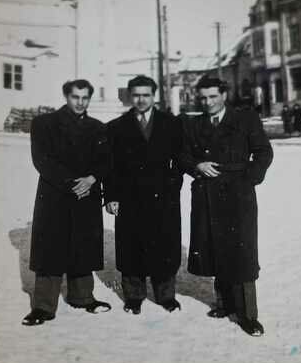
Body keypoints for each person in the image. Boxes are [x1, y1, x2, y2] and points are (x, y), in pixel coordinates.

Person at [180, 75, 273, 337]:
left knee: (242, 252)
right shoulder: (193, 123)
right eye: (203, 98)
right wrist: (196, 165)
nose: (207, 102)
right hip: (206, 194)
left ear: (224, 95)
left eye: (212, 97)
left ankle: (248, 315)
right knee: (215, 247)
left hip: (237, 194)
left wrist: (249, 178)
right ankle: (224, 303)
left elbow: (264, 151)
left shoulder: (245, 119)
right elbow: (182, 155)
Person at [22, 79, 112, 326]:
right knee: (51, 246)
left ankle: (83, 297)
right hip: (55, 195)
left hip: (87, 195)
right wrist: (73, 183)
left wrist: (92, 179)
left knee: (83, 244)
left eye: (85, 98)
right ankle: (43, 306)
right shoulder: (44, 124)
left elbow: (105, 161)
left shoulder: (98, 128)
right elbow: (41, 160)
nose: (80, 102)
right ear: (66, 96)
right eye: (75, 97)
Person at [105, 75, 183, 314]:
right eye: (136, 95)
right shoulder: (116, 127)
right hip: (130, 198)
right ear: (130, 96)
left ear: (154, 96)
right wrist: (111, 196)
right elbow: (110, 166)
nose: (141, 99)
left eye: (146, 95)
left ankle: (166, 295)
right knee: (131, 246)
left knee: (165, 246)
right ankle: (134, 296)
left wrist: (171, 187)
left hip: (163, 198)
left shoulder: (171, 123)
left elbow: (179, 161)